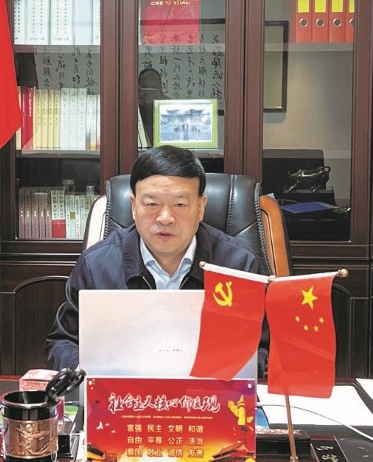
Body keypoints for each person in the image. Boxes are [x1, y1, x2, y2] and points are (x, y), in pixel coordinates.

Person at [44, 145, 269, 375]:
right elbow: (62, 342)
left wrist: (226, 370)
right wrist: (89, 371)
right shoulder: (97, 266)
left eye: (180, 204)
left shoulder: (239, 266)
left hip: (210, 391)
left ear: (201, 207)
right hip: (123, 392)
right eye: (152, 204)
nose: (165, 218)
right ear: (134, 207)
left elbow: (265, 348)